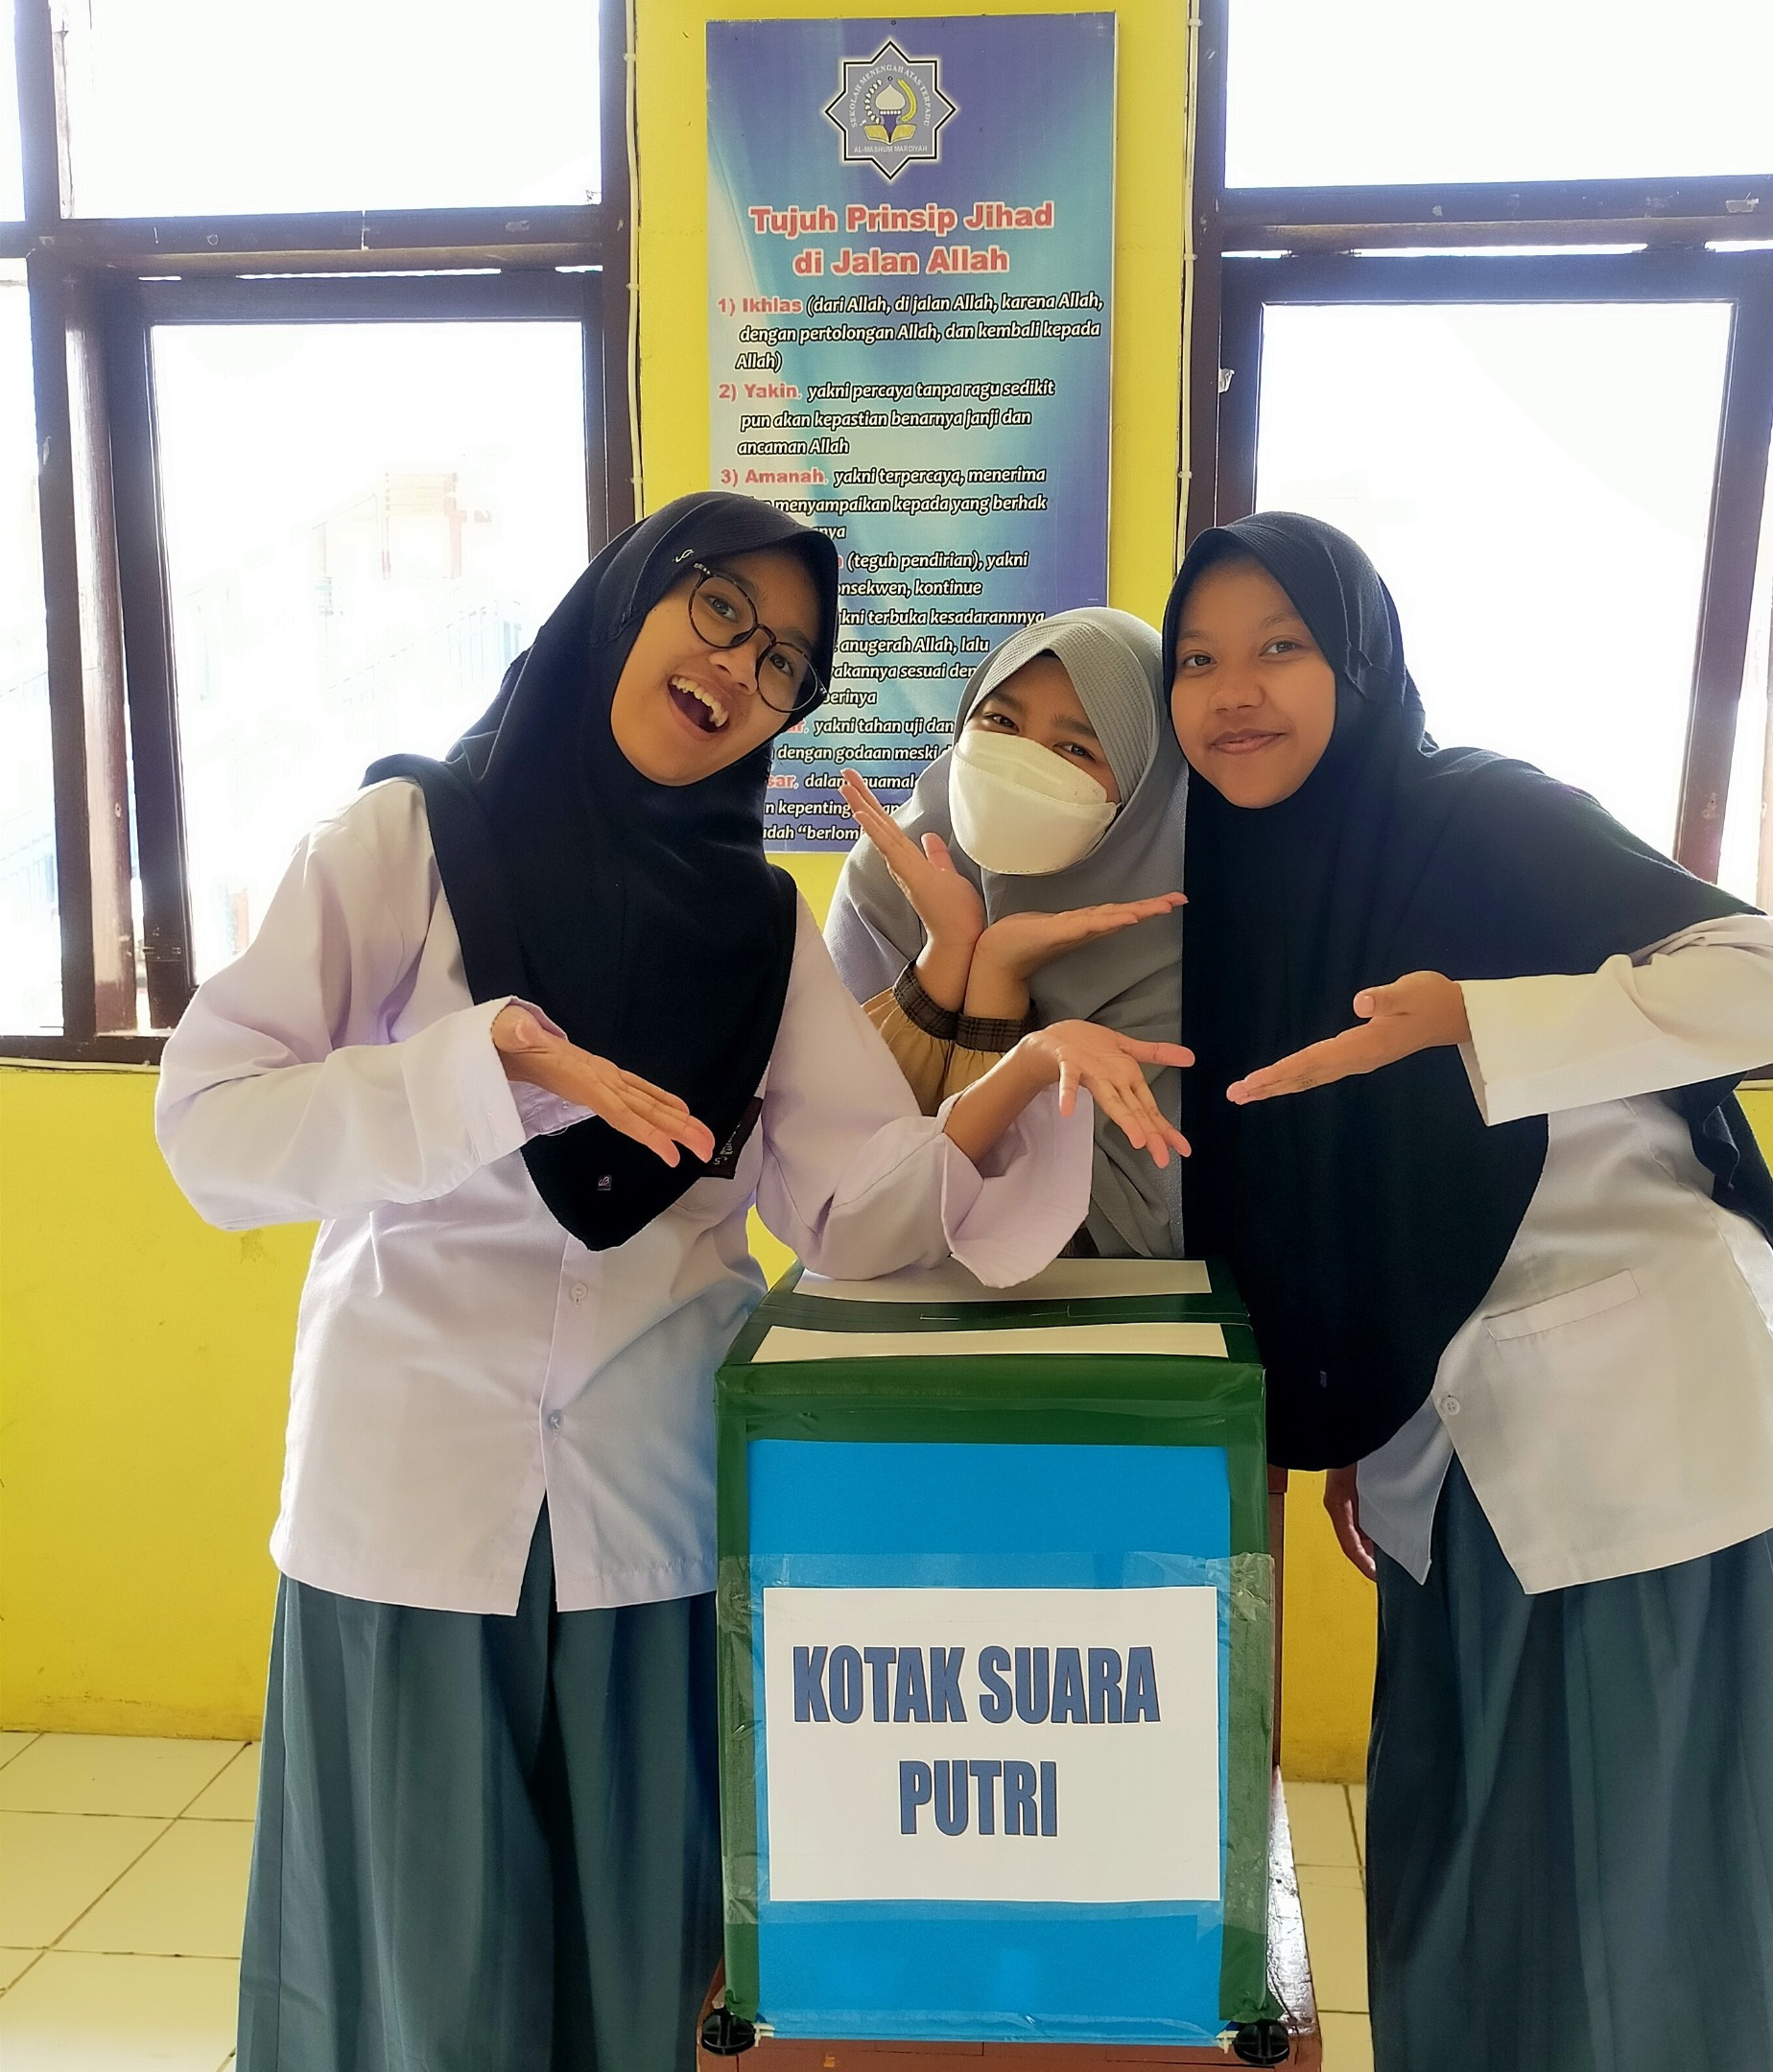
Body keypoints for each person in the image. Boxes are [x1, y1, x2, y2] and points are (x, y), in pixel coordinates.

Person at [154, 493, 1190, 2072]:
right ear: (629, 598)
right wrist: (481, 1067)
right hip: (409, 1500)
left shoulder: (756, 926)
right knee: (422, 1984)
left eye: (782, 664)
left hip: (647, 1520)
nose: (737, 669)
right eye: (719, 611)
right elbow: (212, 1127)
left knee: (643, 1976)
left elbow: (850, 1210)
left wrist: (1014, 1074)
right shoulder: (408, 841)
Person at [1163, 511, 1773, 2072]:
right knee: (1467, 1886)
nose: (1233, 691)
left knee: (1645, 1907)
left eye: (1280, 647)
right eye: (1195, 659)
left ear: (1358, 662)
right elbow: (1320, 1198)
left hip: (1641, 1435)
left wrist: (1479, 1019)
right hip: (1451, 1451)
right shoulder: (1246, 883)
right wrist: (1355, 1400)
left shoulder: (1475, 814)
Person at [826, 607, 1188, 1258]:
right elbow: (843, 1177)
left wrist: (995, 987)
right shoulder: (891, 877)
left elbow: (1140, 1221)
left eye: (1075, 749)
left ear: (1141, 786)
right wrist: (951, 956)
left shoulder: (1167, 932)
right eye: (1001, 723)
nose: (1020, 763)